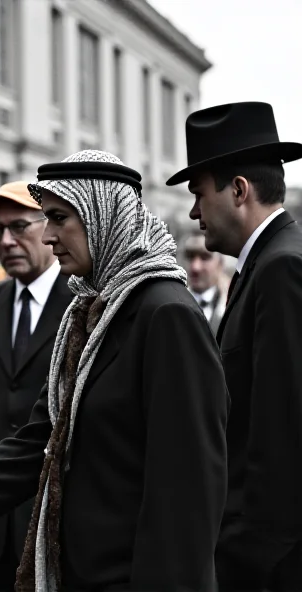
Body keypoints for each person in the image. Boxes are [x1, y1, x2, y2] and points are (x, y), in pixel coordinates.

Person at [0, 150, 229, 592]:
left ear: (103, 217)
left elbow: (189, 489)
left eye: (58, 218)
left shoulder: (165, 313)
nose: (47, 236)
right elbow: (42, 438)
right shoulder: (88, 310)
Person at [167, 101, 302, 590]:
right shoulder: (265, 264)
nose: (194, 211)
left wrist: (249, 554)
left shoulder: (282, 268)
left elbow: (283, 429)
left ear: (239, 190)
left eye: (200, 194)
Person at [0, 180, 73, 591]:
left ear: (48, 226)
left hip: (59, 516)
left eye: (19, 226)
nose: (6, 241)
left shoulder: (80, 303)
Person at [181, 232, 227, 334]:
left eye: (205, 257)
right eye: (190, 256)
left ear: (221, 264)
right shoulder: (172, 307)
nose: (195, 267)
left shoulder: (231, 309)